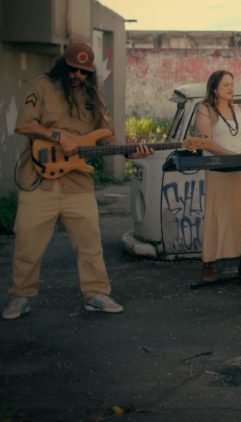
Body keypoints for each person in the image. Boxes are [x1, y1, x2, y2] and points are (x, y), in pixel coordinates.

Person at [3, 42, 153, 320]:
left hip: (77, 183)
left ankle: (96, 294)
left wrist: (129, 151)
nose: (78, 76)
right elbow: (24, 124)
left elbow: (106, 136)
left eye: (84, 72)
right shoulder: (42, 86)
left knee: (90, 244)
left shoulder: (94, 95)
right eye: (73, 69)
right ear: (63, 65)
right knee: (27, 243)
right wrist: (59, 136)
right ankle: (20, 296)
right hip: (39, 180)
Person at [193, 70, 241, 283]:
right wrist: (232, 156)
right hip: (219, 171)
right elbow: (206, 142)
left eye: (232, 84)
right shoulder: (204, 110)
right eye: (226, 85)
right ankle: (209, 263)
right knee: (216, 214)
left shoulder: (239, 112)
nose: (231, 88)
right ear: (214, 88)